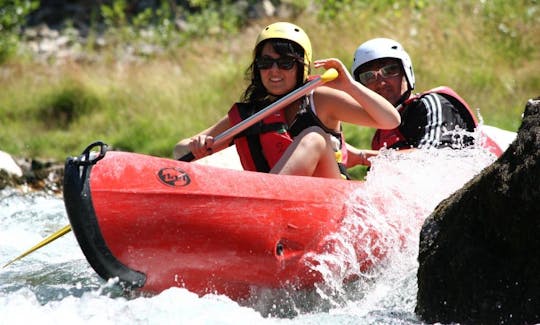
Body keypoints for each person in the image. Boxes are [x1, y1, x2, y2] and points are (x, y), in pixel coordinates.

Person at [174, 22, 399, 179]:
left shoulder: (320, 99)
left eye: (285, 63)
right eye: (266, 63)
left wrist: (350, 86)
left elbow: (390, 120)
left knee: (315, 138)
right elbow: (179, 151)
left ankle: (264, 202)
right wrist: (198, 144)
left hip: (329, 199)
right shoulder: (249, 115)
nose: (274, 72)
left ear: (301, 66)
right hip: (283, 206)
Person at [346, 38, 480, 167]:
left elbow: (434, 156)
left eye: (390, 70)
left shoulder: (432, 104)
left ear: (406, 73)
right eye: (368, 77)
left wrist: (362, 157)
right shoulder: (380, 135)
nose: (380, 83)